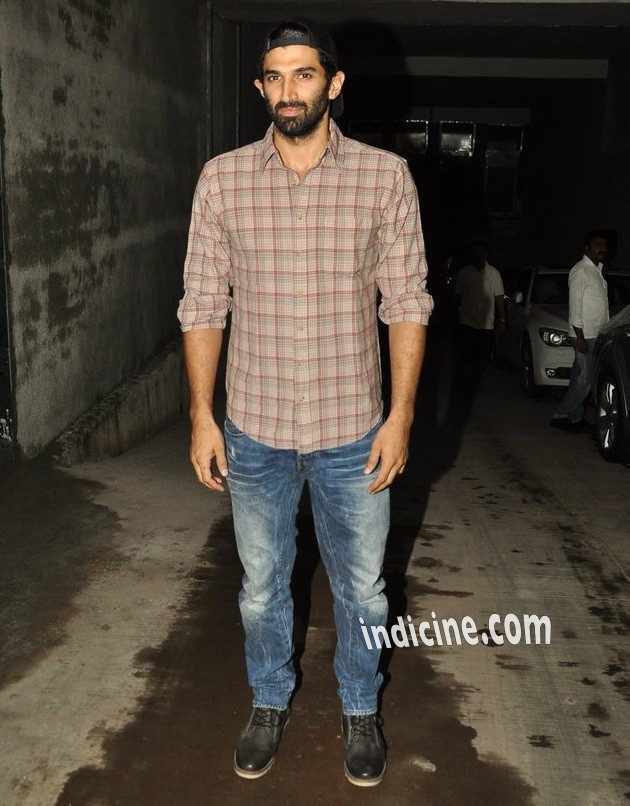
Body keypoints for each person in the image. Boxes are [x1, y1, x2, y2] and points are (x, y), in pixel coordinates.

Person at [177, 18, 432, 788]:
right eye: (275, 78)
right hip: (253, 427)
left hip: (352, 427)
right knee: (261, 585)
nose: (289, 92)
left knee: (360, 587)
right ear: (260, 87)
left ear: (335, 83)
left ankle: (359, 707)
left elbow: (408, 302)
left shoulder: (384, 178)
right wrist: (200, 414)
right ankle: (267, 700)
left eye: (304, 75)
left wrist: (402, 416)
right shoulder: (222, 179)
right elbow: (201, 304)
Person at [550, 230, 609, 432]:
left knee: (579, 377)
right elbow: (575, 307)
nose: (602, 247)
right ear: (587, 248)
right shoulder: (581, 271)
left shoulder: (596, 271)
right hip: (584, 335)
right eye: (597, 244)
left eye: (604, 244)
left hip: (595, 334)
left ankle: (575, 417)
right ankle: (561, 414)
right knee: (585, 380)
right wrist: (581, 338)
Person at [454, 240, 506, 393]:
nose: (477, 255)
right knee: (467, 353)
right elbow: (457, 295)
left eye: (480, 252)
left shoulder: (494, 274)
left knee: (482, 354)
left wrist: (502, 319)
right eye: (474, 252)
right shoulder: (464, 273)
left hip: (486, 323)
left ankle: (475, 379)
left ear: (486, 254)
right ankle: (469, 381)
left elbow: (499, 297)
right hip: (467, 320)